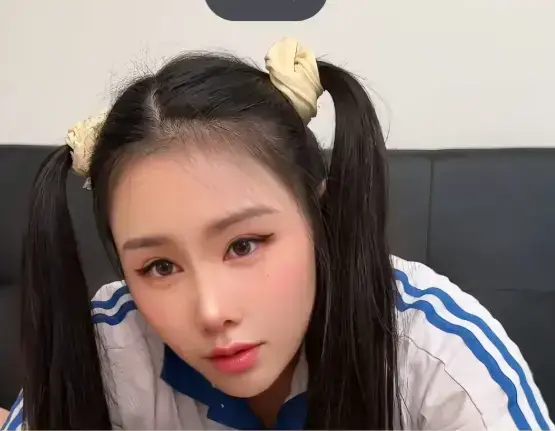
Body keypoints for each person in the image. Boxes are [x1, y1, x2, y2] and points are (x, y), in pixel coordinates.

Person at [1, 37, 552, 431]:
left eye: (244, 245)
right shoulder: (108, 349)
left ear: (318, 214)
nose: (212, 312)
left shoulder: (436, 357)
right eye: (159, 267)